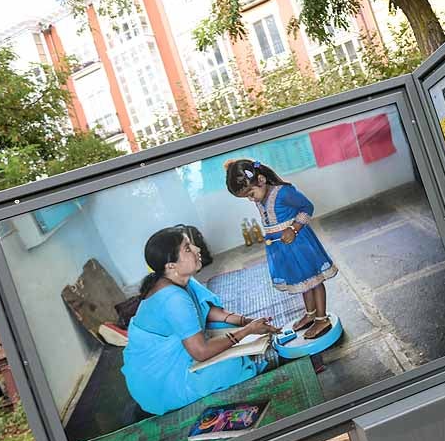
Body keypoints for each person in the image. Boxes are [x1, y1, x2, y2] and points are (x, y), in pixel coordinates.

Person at [122, 226, 280, 415]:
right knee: (228, 369)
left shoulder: (179, 279)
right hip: (158, 381)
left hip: (176, 354)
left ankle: (241, 351)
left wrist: (246, 322)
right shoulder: (173, 299)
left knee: (225, 325)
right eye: (187, 248)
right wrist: (247, 332)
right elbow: (201, 352)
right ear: (170, 265)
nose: (197, 250)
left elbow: (208, 310)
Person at [226, 159, 338, 339]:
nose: (250, 199)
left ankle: (321, 318)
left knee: (314, 280)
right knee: (302, 281)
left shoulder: (284, 193)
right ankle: (310, 315)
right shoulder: (261, 197)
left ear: (261, 180)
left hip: (299, 244)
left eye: (251, 193)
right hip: (282, 248)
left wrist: (293, 229)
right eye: (246, 196)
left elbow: (307, 207)